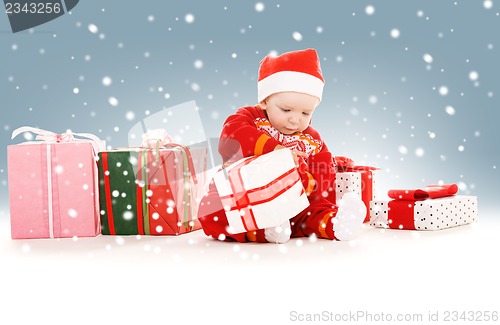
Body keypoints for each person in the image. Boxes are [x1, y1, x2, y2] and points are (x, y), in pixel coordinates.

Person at [198, 48, 366, 243]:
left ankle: (337, 224)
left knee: (313, 212)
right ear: (264, 100)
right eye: (286, 109)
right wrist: (276, 151)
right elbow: (231, 135)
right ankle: (267, 229)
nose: (295, 120)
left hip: (293, 205)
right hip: (247, 197)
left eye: (305, 113)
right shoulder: (251, 118)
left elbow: (324, 170)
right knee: (213, 211)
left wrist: (308, 181)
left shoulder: (311, 139)